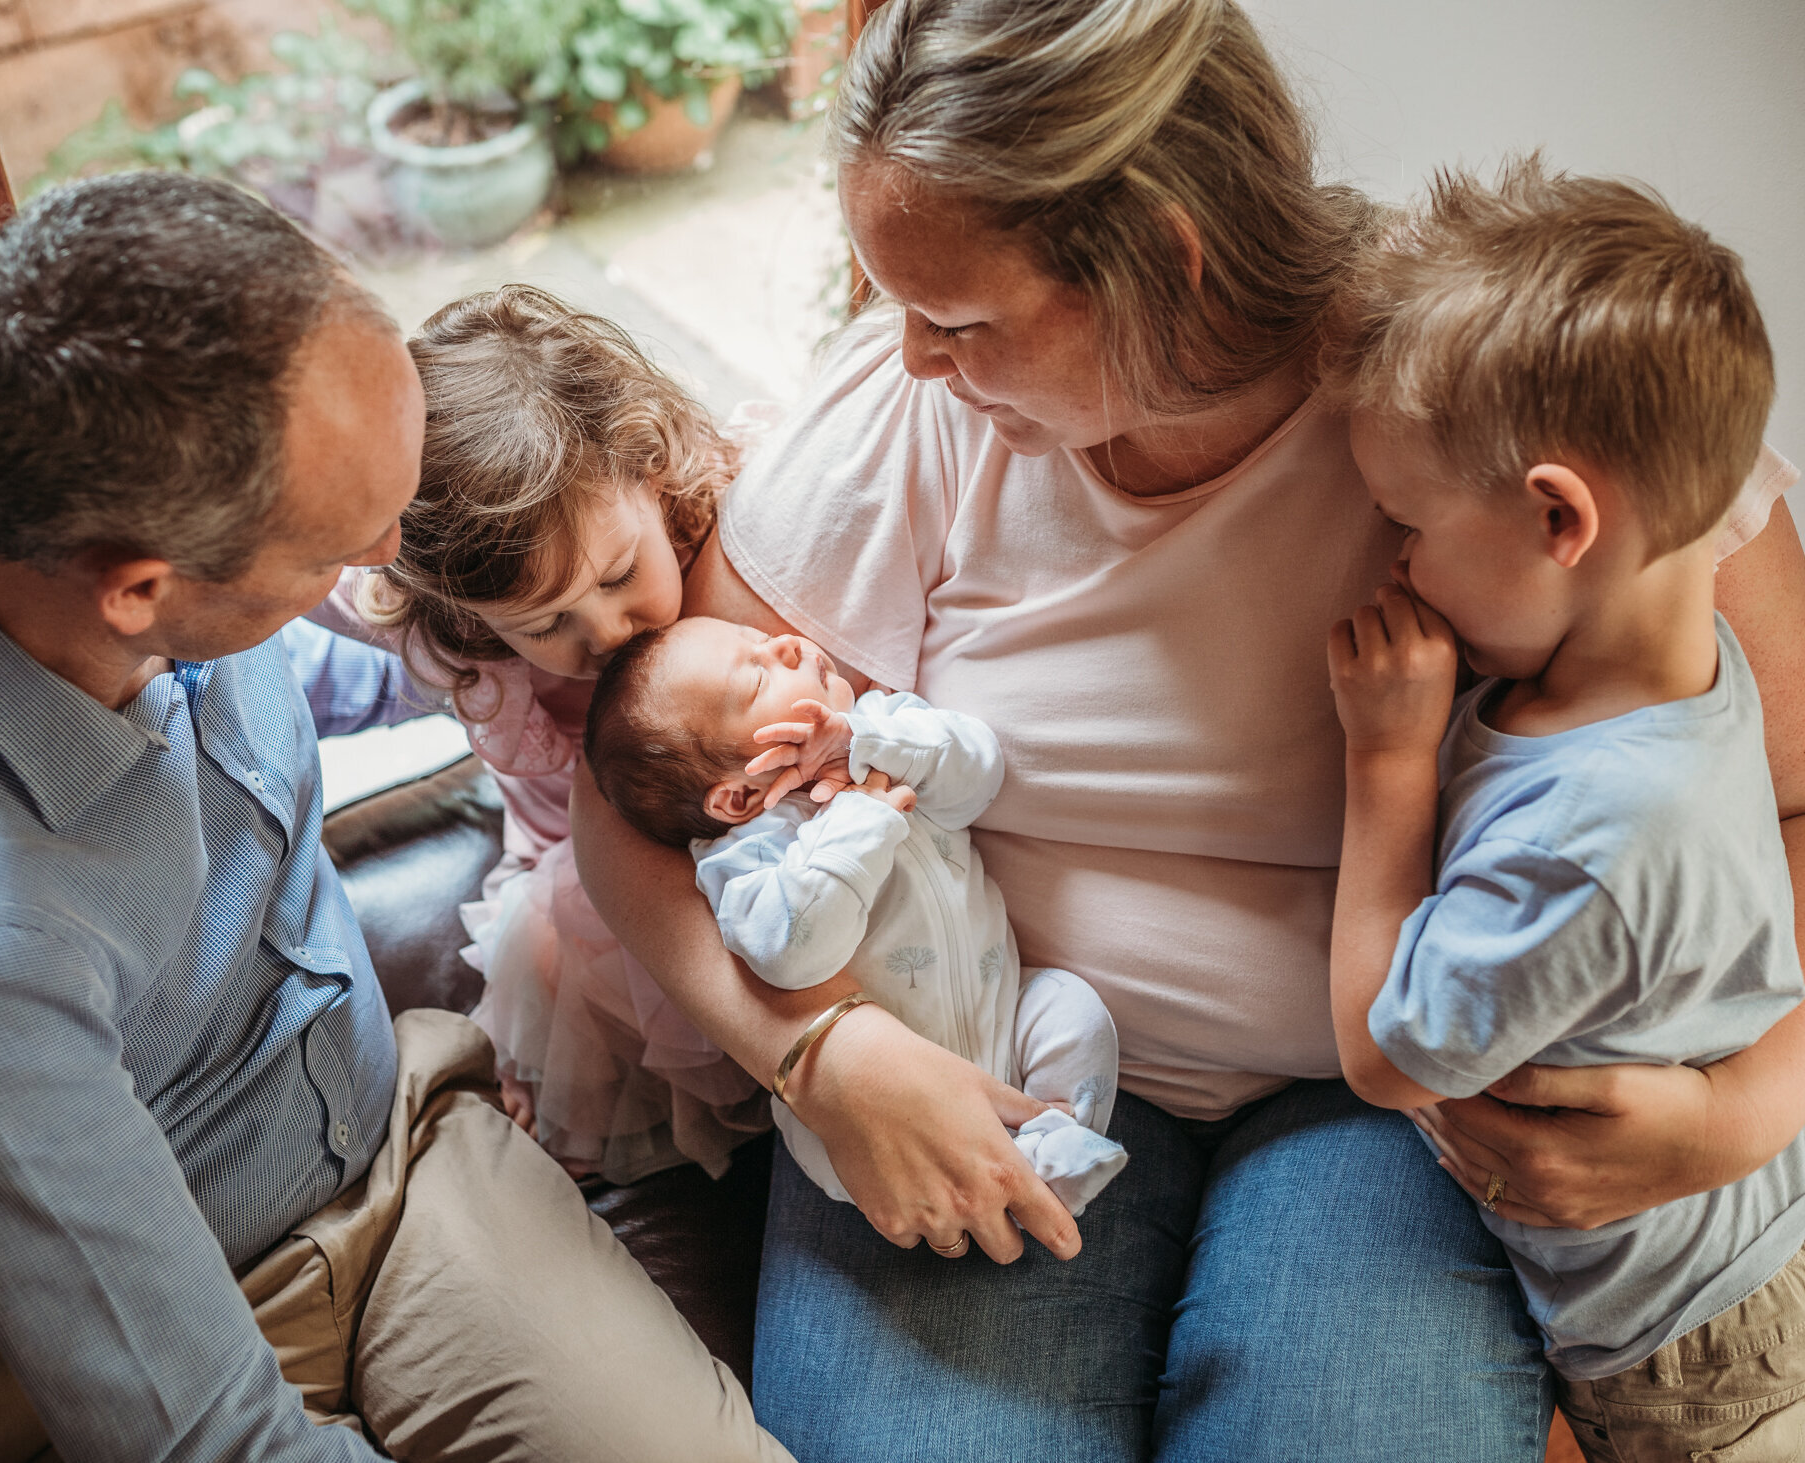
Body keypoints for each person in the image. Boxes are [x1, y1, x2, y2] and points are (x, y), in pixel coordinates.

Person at [566, 0, 1805, 1457]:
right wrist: (819, 1051)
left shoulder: (1472, 388)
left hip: (1380, 1110)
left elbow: (1778, 799)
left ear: (1165, 259)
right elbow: (630, 799)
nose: (906, 357)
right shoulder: (903, 428)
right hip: (981, 1043)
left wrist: (1747, 1107)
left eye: (957, 319)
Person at [0, 173, 788, 1463]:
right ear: (142, 588)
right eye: (337, 562)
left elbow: (332, 672)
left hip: (400, 1153)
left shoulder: (102, 538)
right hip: (159, 1343)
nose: (371, 580)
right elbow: (201, 1431)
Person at [1326, 158, 1805, 1460]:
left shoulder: (1593, 836)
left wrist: (1386, 763)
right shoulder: (1692, 662)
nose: (1395, 562)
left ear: (1557, 514)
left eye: (1406, 520)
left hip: (1686, 1343)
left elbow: (1381, 1053)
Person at [307, 284, 776, 1183]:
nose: (601, 636)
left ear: (646, 460)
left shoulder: (740, 517)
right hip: (569, 874)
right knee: (548, 1006)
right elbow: (290, 553)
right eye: (543, 624)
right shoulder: (437, 625)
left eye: (617, 574)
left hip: (741, 834)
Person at [584, 616, 1129, 1220]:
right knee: (812, 1139)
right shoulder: (746, 857)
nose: (786, 644)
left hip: (1006, 1014)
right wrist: (858, 820)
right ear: (736, 796)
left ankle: (1047, 1144)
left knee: (1073, 1009)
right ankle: (984, 1182)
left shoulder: (888, 725)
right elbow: (791, 954)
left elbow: (980, 772)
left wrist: (862, 744)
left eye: (761, 639)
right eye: (756, 675)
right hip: (875, 1098)